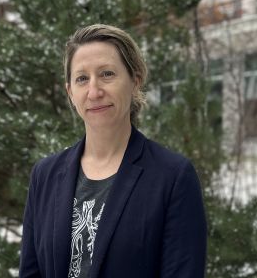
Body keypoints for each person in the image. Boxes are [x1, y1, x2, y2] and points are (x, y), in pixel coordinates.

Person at [19, 24, 207, 278]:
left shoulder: (173, 177)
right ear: (70, 92)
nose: (94, 92)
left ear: (135, 80)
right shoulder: (45, 175)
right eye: (82, 78)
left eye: (107, 74)